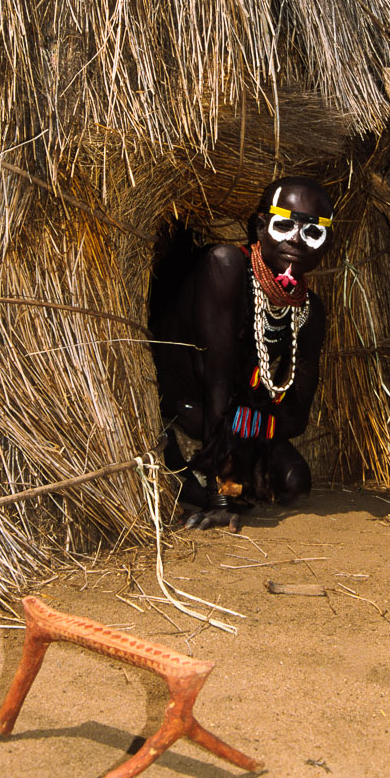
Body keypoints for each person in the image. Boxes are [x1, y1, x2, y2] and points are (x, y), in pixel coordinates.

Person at [153, 177, 334, 532]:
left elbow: (297, 417)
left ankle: (212, 481)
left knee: (296, 483)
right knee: (196, 421)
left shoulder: (309, 311)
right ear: (260, 227)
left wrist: (251, 425)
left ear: (327, 244)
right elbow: (215, 379)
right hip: (190, 406)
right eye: (284, 226)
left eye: (313, 232)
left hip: (239, 421)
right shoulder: (225, 267)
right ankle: (196, 479)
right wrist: (226, 496)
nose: (296, 239)